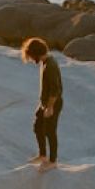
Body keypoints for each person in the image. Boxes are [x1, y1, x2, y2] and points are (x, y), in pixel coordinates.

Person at [21, 37, 62, 166]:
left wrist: (49, 108)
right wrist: (42, 105)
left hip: (53, 103)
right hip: (45, 103)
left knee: (50, 131)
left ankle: (53, 161)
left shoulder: (50, 66)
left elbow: (55, 90)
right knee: (38, 127)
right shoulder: (45, 62)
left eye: (31, 56)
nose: (31, 59)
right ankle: (42, 155)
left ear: (36, 53)